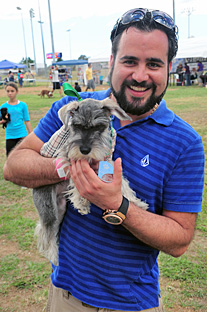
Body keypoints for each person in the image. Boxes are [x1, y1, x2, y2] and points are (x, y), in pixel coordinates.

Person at [3, 8, 205, 312]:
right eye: (129, 61)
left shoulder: (185, 142)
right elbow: (14, 167)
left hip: (130, 305)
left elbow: (179, 240)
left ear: (169, 68)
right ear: (112, 62)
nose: (140, 75)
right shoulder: (73, 107)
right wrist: (69, 168)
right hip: (65, 297)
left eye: (153, 64)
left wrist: (118, 205)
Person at [0, 82, 32, 156]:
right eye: (8, 91)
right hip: (10, 135)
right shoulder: (3, 106)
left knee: (23, 157)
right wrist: (3, 121)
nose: (10, 93)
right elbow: (1, 120)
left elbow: (27, 120)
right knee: (10, 157)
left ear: (16, 92)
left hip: (22, 134)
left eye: (12, 91)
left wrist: (31, 134)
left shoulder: (23, 105)